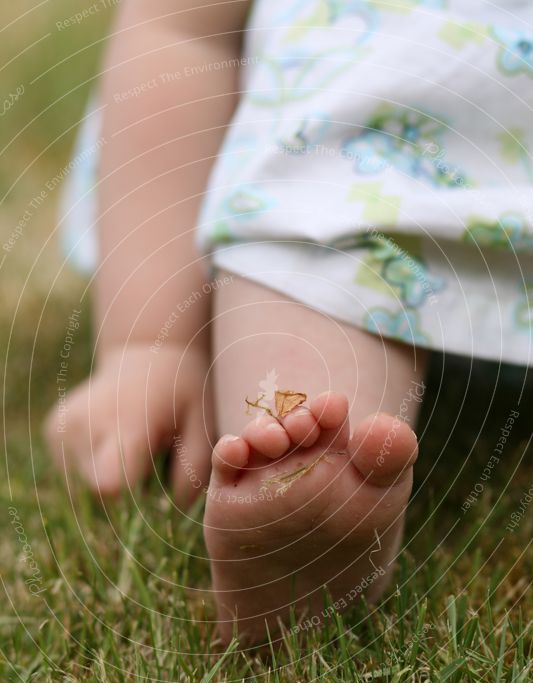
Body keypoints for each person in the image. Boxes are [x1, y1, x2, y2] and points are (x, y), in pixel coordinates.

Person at [45, 0, 532, 646]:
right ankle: (308, 488)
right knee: (307, 232)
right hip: (351, 118)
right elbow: (179, 30)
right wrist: (149, 341)